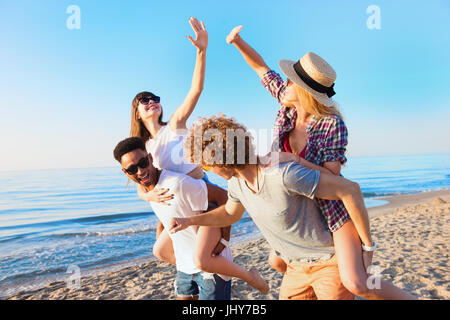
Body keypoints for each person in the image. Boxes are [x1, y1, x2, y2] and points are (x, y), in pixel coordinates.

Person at [225, 26, 417, 299]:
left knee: (357, 283)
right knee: (277, 262)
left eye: (291, 81)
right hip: (295, 210)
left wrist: (292, 159)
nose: (285, 83)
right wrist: (237, 42)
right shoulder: (287, 107)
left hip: (330, 213)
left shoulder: (331, 124)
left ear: (304, 91)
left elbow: (335, 180)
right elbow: (262, 69)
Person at [169, 115, 416, 300]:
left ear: (221, 159)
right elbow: (230, 214)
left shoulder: (283, 174)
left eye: (208, 164)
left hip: (328, 263)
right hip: (295, 269)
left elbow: (349, 189)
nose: (207, 170)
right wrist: (190, 221)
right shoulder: (237, 185)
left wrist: (367, 245)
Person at [114, 137, 269, 299]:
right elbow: (168, 212)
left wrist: (225, 238)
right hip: (184, 267)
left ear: (151, 159)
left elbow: (225, 197)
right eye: (132, 169)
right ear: (125, 172)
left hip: (211, 265)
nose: (140, 171)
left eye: (143, 163)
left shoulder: (177, 183)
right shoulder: (147, 191)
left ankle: (249, 276)